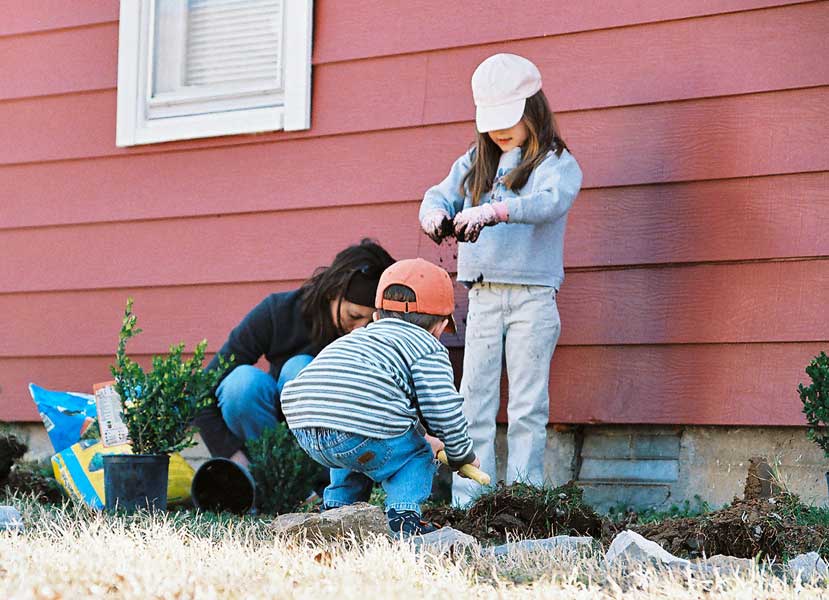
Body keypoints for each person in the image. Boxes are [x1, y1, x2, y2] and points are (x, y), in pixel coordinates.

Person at [418, 53, 583, 506]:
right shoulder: (476, 161)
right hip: (484, 295)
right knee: (473, 400)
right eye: (491, 121)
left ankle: (526, 501)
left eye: (508, 118)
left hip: (533, 296)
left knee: (528, 404)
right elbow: (438, 194)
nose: (499, 130)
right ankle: (470, 501)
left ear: (533, 109)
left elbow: (551, 201)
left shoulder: (555, 162)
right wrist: (434, 214)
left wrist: (496, 211)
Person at [280, 258, 480, 536]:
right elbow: (443, 409)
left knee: (352, 441)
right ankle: (404, 519)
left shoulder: (359, 337)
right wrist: (460, 454)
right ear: (439, 326)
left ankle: (336, 511)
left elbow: (380, 404)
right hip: (354, 430)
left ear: (376, 316)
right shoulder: (427, 347)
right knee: (417, 453)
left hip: (306, 424)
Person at [193, 239, 396, 471]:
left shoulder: (379, 338)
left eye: (371, 321)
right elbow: (202, 391)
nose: (360, 329)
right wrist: (232, 456)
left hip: (332, 454)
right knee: (243, 384)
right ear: (332, 292)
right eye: (353, 315)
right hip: (267, 438)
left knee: (300, 368)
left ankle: (311, 482)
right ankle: (267, 475)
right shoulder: (279, 311)